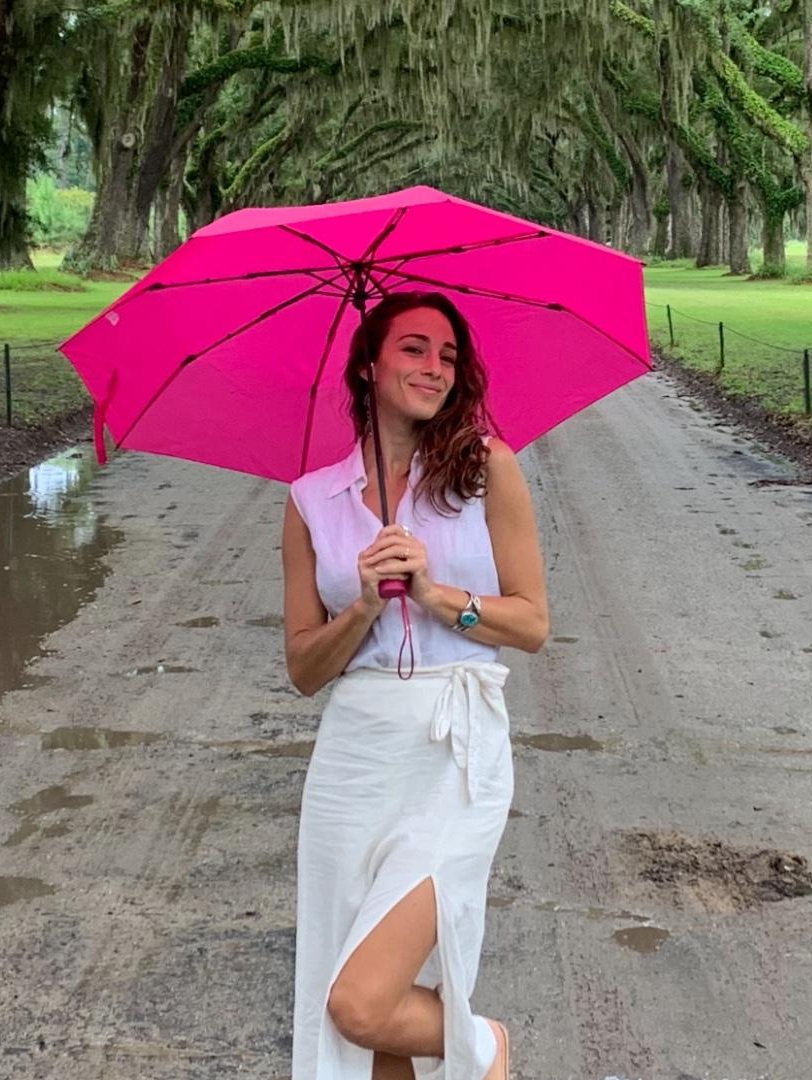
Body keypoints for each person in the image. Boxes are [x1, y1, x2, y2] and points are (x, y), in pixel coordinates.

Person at [282, 290, 549, 1080]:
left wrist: (437, 597)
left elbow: (532, 623)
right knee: (358, 1020)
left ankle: (482, 1045)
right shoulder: (310, 503)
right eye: (414, 348)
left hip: (454, 749)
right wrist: (364, 605)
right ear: (368, 365)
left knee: (360, 1002)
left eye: (449, 356)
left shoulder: (486, 471)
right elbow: (303, 669)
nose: (435, 367)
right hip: (354, 758)